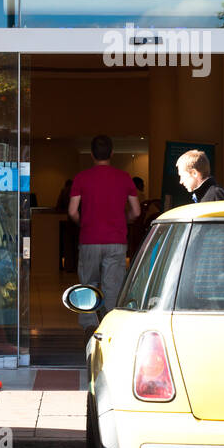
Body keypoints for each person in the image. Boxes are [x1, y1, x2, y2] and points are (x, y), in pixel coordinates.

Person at [68, 135, 140, 325]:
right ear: (112, 153)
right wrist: (124, 220)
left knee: (88, 286)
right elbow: (136, 212)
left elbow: (72, 211)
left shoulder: (81, 178)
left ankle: (89, 328)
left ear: (92, 154)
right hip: (116, 241)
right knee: (112, 289)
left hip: (89, 239)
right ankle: (111, 328)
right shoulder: (124, 178)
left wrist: (84, 223)